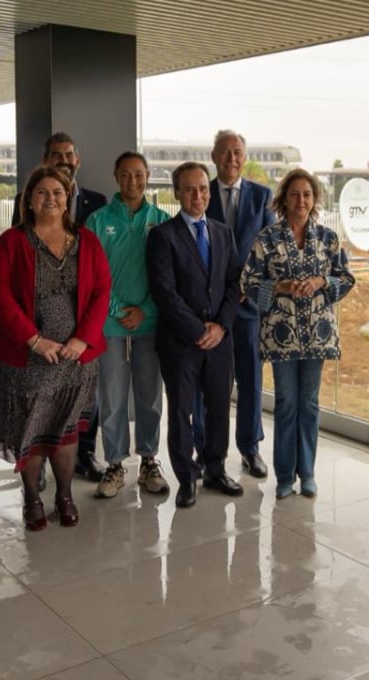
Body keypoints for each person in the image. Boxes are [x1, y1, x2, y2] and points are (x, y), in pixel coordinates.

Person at [0, 166, 110, 530]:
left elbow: (101, 290)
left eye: (58, 192)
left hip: (73, 357)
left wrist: (82, 338)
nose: (51, 198)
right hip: (27, 357)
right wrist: (33, 339)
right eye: (42, 192)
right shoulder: (12, 241)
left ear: (68, 198)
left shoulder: (87, 241)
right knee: (32, 431)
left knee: (65, 430)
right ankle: (32, 498)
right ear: (29, 200)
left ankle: (64, 495)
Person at [242, 169, 355, 499]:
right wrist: (280, 286)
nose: (301, 200)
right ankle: (284, 476)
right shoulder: (267, 239)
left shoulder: (328, 238)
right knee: (286, 403)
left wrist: (322, 281)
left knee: (309, 404)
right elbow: (247, 282)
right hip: (282, 336)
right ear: (283, 198)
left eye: (307, 194)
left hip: (318, 335)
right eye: (294, 194)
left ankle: (307, 473)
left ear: (314, 199)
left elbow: (346, 278)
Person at [11, 132, 109, 482]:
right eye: (57, 155)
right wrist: (31, 335)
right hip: (36, 334)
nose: (64, 160)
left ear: (77, 160)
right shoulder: (25, 208)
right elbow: (12, 273)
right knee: (37, 405)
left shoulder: (97, 202)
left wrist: (84, 333)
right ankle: (35, 470)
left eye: (69, 154)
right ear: (46, 160)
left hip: (80, 328)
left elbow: (100, 279)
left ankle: (84, 455)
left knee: (83, 403)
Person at [147, 161, 243, 509]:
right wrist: (197, 330)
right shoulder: (162, 236)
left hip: (219, 342)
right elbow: (164, 292)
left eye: (203, 188)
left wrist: (220, 327)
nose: (198, 195)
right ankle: (187, 476)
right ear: (177, 193)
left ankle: (215, 469)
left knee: (219, 408)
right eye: (189, 189)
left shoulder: (222, 232)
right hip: (180, 344)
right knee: (182, 412)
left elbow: (235, 283)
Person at [85, 151, 172, 499]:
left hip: (150, 324)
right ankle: (116, 464)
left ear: (148, 175)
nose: (132, 181)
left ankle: (150, 461)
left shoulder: (162, 220)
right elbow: (91, 276)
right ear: (116, 177)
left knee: (150, 396)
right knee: (112, 396)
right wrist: (121, 309)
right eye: (125, 175)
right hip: (110, 325)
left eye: (138, 174)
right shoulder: (97, 220)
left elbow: (168, 277)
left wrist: (146, 310)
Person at [193, 130, 276, 479]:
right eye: (224, 152)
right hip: (209, 310)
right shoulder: (201, 193)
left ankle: (250, 448)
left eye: (237, 152)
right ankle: (205, 450)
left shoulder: (262, 196)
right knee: (206, 384)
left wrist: (254, 291)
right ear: (213, 156)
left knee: (250, 379)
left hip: (248, 307)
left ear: (245, 156)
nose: (231, 158)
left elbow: (270, 250)